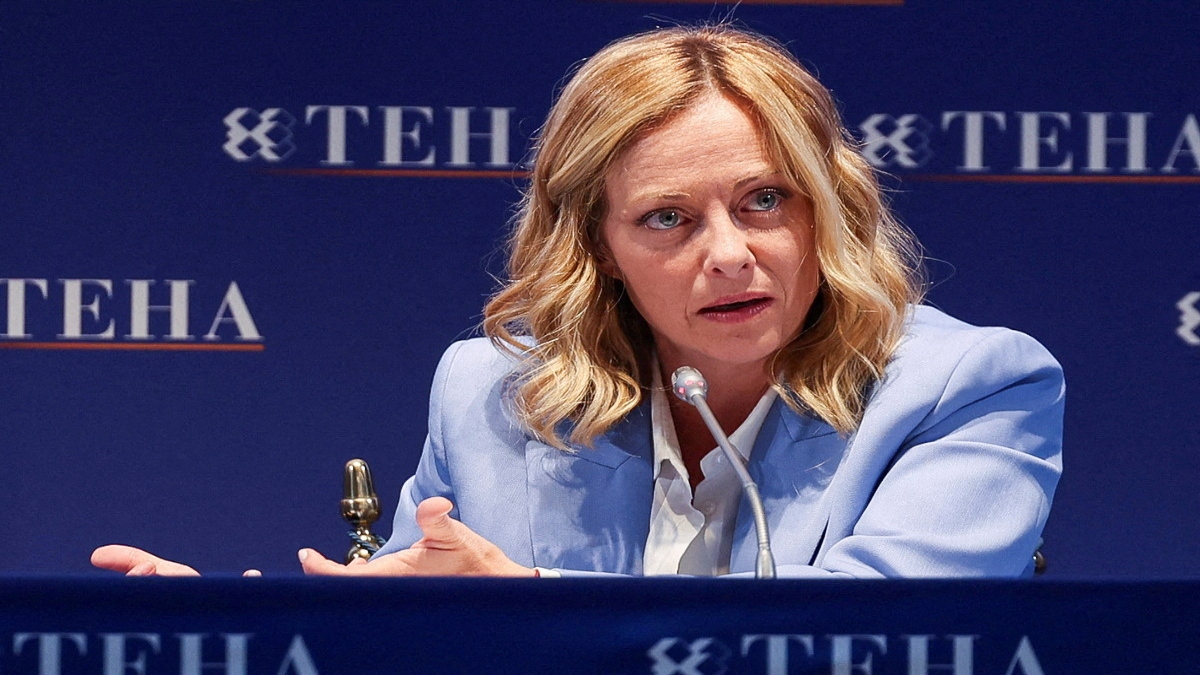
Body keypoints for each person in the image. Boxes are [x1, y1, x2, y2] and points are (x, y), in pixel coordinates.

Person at [92, 24, 1063, 579]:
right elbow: (402, 630)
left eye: (765, 201)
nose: (729, 254)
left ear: (829, 208)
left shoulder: (965, 387)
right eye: (667, 219)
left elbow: (870, 642)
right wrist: (233, 633)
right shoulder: (490, 395)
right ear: (597, 247)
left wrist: (528, 603)